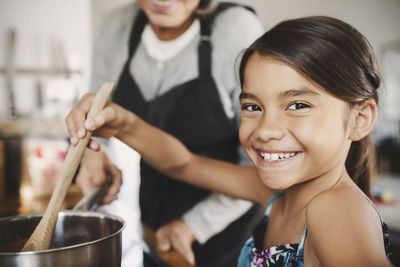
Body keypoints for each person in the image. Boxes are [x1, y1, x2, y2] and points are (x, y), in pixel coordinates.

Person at [67, 16, 394, 266]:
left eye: (297, 105)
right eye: (252, 106)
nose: (265, 130)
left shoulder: (334, 210)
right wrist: (122, 122)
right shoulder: (277, 193)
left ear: (360, 119)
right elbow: (183, 163)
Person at [76, 0, 265, 266]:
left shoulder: (236, 29)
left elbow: (258, 167)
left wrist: (191, 226)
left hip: (230, 230)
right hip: (154, 225)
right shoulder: (117, 26)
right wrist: (93, 153)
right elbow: (96, 115)